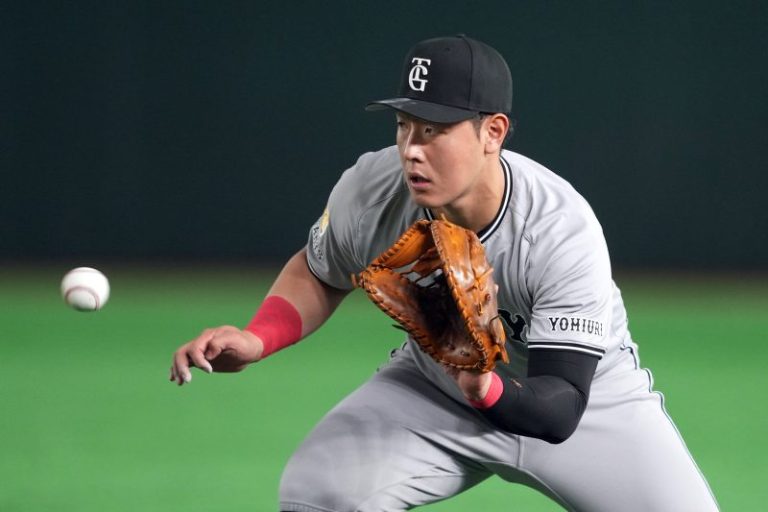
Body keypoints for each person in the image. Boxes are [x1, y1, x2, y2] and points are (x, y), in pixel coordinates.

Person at [170, 35, 719, 512]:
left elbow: (561, 406)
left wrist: (488, 388)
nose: (411, 150)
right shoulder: (372, 190)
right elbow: (319, 271)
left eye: (434, 129)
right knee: (318, 492)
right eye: (404, 125)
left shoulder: (558, 229)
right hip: (437, 388)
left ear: (493, 132)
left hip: (587, 404)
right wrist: (257, 338)